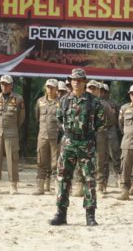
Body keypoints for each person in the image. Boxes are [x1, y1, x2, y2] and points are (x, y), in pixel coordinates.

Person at [50, 68, 104, 226]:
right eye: (73, 80)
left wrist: (87, 134)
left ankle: (90, 215)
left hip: (86, 144)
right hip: (68, 144)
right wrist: (69, 133)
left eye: (79, 80)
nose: (76, 82)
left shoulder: (94, 102)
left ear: (84, 82)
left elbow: (101, 122)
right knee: (63, 179)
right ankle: (61, 214)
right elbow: (59, 119)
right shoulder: (64, 100)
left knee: (89, 180)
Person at [0, 75, 25, 195]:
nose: (4, 86)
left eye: (7, 84)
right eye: (2, 84)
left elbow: (21, 117)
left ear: (11, 85)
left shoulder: (18, 98)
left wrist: (13, 127)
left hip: (12, 132)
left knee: (12, 159)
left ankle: (13, 186)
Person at [34, 79, 60, 195]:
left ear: (56, 89)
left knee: (56, 163)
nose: (50, 89)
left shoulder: (61, 102)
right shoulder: (40, 102)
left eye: (52, 87)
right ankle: (41, 187)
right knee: (41, 161)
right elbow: (36, 117)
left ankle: (56, 187)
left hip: (56, 137)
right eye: (48, 87)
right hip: (43, 136)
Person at [103, 83, 122, 187]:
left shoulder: (114, 104)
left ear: (108, 93)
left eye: (105, 91)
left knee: (115, 154)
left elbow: (120, 118)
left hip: (111, 130)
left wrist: (119, 129)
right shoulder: (96, 103)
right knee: (102, 157)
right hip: (100, 131)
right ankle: (104, 180)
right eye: (101, 91)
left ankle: (118, 175)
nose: (103, 93)